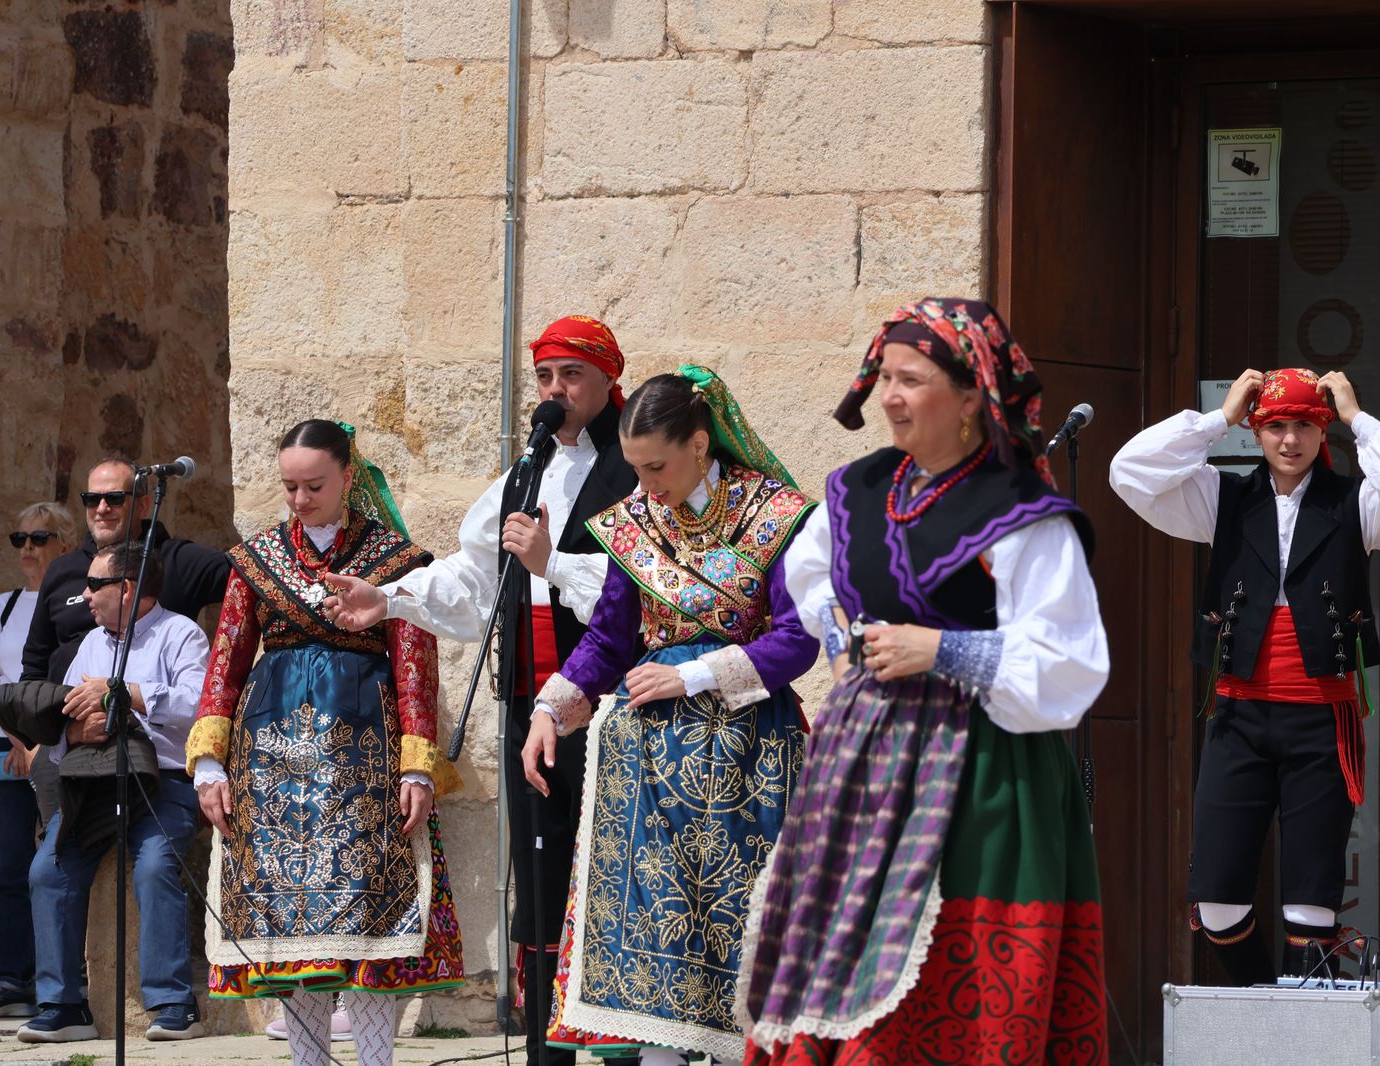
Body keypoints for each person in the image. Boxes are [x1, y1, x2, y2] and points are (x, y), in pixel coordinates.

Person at [740, 299, 1110, 1065]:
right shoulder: (858, 491)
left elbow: (1069, 662)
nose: (890, 396)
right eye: (886, 377)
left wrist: (943, 651)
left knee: (952, 989)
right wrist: (845, 648)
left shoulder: (1022, 511)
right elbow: (817, 587)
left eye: (911, 379)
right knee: (842, 975)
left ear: (972, 394)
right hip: (863, 767)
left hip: (983, 774)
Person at [325, 314, 639, 1066]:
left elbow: (648, 590)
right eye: (545, 377)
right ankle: (544, 1050)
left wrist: (552, 564)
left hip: (616, 701)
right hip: (529, 701)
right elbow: (472, 581)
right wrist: (389, 598)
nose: (556, 391)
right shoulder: (524, 473)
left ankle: (631, 1043)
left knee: (616, 869)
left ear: (607, 381)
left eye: (571, 376)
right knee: (539, 868)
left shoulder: (638, 463)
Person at [517, 368, 816, 1065]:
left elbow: (799, 638)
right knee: (657, 930)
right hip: (649, 762)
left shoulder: (775, 513)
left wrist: (692, 673)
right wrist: (548, 708)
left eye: (657, 466)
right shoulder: (634, 524)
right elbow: (609, 639)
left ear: (701, 444)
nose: (646, 485)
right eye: (635, 469)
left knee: (742, 929)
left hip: (752, 753)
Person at [187, 419, 464, 1066]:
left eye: (314, 485)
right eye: (289, 487)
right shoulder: (254, 562)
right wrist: (207, 763)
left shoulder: (396, 560)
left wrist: (416, 767)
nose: (300, 498)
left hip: (363, 758)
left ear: (347, 477)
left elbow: (416, 667)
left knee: (367, 924)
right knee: (291, 931)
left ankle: (375, 1062)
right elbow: (226, 659)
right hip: (270, 762)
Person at [1110, 366, 1379, 983]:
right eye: (1276, 426)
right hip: (1237, 716)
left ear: (1322, 431)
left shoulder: (1355, 503)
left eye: (1305, 426)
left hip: (1321, 720)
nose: (1290, 440)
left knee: (1311, 909)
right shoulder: (1222, 498)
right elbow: (1128, 470)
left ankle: (1302, 1035)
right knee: (1217, 904)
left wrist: (1356, 418)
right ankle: (1262, 1003)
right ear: (1258, 433)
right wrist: (1218, 419)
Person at [18, 544, 209, 1044]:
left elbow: (200, 704)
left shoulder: (180, 633)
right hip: (94, 781)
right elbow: (63, 717)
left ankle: (172, 1004)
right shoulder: (90, 644)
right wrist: (83, 730)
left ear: (126, 589)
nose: (83, 595)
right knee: (47, 869)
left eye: (93, 585)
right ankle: (62, 1006)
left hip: (162, 783)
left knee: (153, 865)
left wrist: (129, 696)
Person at [0, 501, 75, 1018]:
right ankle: (13, 977)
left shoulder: (74, 600)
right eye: (20, 539)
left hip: (52, 746)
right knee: (8, 866)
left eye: (40, 537)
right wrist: (17, 738)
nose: (29, 548)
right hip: (4, 746)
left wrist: (37, 745)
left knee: (56, 861)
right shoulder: (2, 606)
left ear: (65, 545)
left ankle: (59, 980)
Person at [20, 458, 230, 685]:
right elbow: (35, 665)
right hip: (68, 713)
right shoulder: (61, 569)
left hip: (148, 715)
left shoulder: (176, 560)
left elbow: (247, 572)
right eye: (92, 499)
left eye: (114, 498)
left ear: (143, 505)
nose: (101, 508)